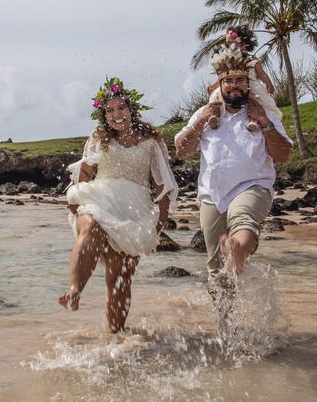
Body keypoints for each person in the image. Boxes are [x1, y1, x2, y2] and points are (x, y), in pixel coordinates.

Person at [59, 77, 178, 333]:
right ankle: (74, 291)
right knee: (90, 226)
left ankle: (116, 337)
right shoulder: (99, 138)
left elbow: (161, 181)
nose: (116, 114)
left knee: (119, 278)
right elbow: (85, 171)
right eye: (110, 110)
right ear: (104, 116)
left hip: (133, 211)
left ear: (131, 109)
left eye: (121, 108)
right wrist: (75, 196)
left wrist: (162, 217)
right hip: (98, 199)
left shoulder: (151, 140)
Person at [175, 46, 293, 278]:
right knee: (217, 272)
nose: (235, 85)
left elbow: (283, 155)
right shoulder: (205, 113)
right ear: (220, 84)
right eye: (228, 81)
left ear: (249, 83)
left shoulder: (262, 112)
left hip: (253, 186)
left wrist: (264, 123)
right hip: (211, 195)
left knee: (244, 223)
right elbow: (182, 152)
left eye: (241, 80)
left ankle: (237, 246)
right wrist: (200, 122)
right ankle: (228, 314)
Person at [206, 27, 281, 131]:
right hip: (231, 86)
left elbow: (261, 73)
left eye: (232, 43)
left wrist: (268, 83)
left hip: (251, 87)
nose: (229, 46)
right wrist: (214, 86)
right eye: (228, 44)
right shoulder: (228, 60)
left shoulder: (251, 59)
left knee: (254, 104)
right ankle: (213, 116)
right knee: (216, 100)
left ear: (243, 44)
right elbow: (222, 77)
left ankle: (253, 121)